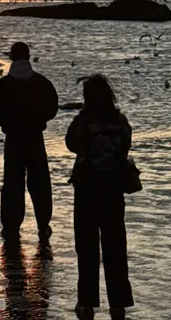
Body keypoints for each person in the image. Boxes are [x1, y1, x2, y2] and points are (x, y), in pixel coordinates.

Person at [65, 74, 134, 320]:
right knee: (115, 247)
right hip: (113, 188)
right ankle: (118, 304)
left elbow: (71, 145)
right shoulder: (120, 120)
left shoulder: (83, 121)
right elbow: (126, 144)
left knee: (86, 248)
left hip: (87, 188)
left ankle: (86, 304)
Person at [0, 41, 58, 243]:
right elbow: (52, 107)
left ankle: (11, 228)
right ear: (28, 57)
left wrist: (7, 125)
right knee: (40, 183)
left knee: (12, 184)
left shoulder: (3, 85)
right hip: (36, 138)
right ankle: (43, 225)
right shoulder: (42, 83)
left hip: (13, 139)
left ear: (11, 57)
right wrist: (39, 121)